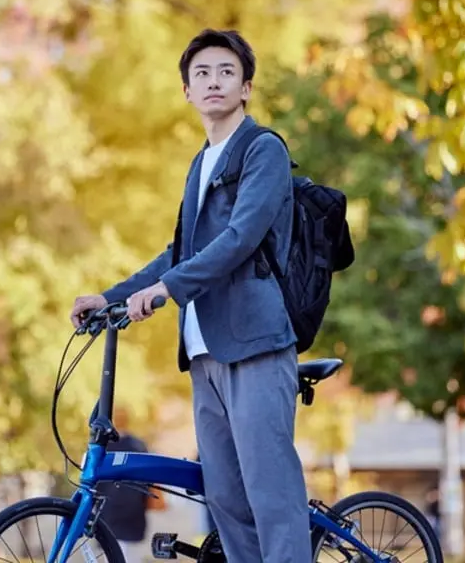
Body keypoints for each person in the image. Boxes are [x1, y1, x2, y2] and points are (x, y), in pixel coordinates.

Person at [71, 29, 308, 563]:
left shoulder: (262, 149)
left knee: (271, 496)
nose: (213, 82)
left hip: (255, 344)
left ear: (246, 87)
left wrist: (166, 292)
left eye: (226, 72)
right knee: (226, 501)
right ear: (187, 91)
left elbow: (240, 239)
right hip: (204, 352)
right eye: (201, 74)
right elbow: (178, 252)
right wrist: (110, 297)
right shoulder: (201, 163)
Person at [95, 411, 164, 563]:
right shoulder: (137, 445)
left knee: (111, 552)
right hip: (133, 509)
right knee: (130, 556)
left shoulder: (103, 447)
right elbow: (147, 477)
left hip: (108, 509)